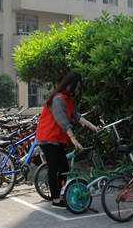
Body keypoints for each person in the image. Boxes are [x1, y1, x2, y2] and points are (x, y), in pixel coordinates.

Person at [36, 71, 98, 209]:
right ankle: (56, 199)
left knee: (64, 167)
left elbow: (75, 116)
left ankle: (60, 194)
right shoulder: (58, 98)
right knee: (54, 167)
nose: (76, 89)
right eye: (75, 86)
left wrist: (91, 126)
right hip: (47, 136)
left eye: (77, 87)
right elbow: (63, 121)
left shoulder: (67, 98)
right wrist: (73, 138)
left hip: (57, 138)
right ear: (69, 84)